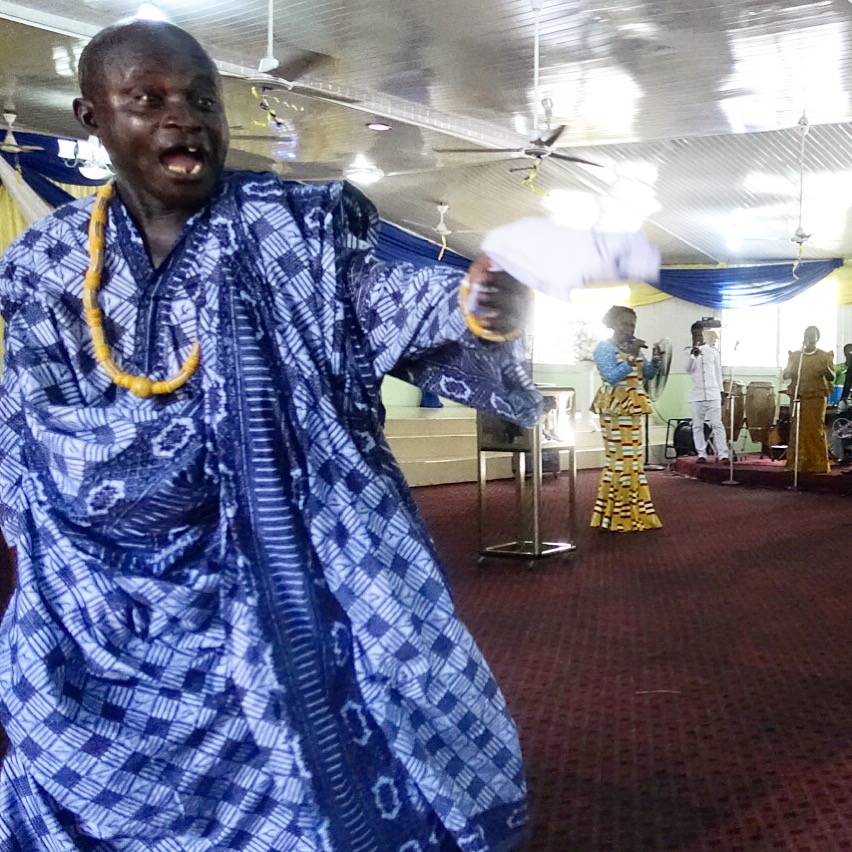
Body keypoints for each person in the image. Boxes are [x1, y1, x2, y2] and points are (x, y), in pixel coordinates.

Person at [0, 21, 540, 849]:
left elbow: (382, 298)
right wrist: (136, 478)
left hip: (301, 565)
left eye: (203, 101)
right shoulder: (45, 263)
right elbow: (33, 424)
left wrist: (473, 309)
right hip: (105, 605)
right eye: (148, 100)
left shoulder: (289, 228)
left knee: (387, 721)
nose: (185, 119)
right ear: (90, 118)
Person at [590, 305, 662, 532]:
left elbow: (647, 374)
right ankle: (616, 515)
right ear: (612, 324)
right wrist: (630, 356)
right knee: (620, 462)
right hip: (614, 408)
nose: (629, 328)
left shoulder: (636, 349)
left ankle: (635, 512)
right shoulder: (604, 348)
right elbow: (611, 376)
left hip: (633, 408)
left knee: (633, 462)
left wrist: (657, 361)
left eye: (632, 324)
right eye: (624, 323)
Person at [783, 325, 834, 474]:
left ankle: (817, 464)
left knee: (814, 427)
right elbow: (786, 375)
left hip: (816, 396)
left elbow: (831, 377)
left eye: (813, 335)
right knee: (797, 428)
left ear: (818, 338)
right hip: (798, 396)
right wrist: (786, 371)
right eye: (808, 335)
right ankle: (796, 463)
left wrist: (826, 370)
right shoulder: (796, 356)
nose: (810, 338)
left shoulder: (824, 356)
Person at [684, 321, 728, 463]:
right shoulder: (687, 351)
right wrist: (693, 355)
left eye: (700, 334)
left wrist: (721, 392)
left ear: (704, 334)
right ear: (692, 335)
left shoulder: (713, 351)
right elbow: (687, 369)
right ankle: (701, 454)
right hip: (696, 395)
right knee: (697, 425)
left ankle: (723, 454)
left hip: (713, 393)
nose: (698, 337)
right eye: (695, 334)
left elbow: (718, 373)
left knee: (717, 424)